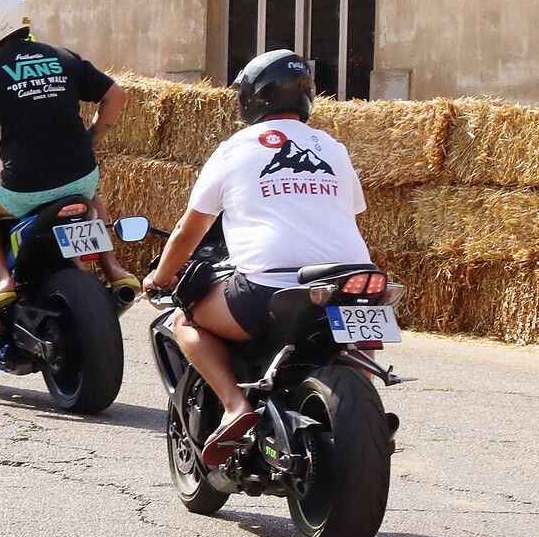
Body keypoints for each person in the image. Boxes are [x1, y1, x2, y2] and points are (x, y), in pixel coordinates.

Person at [141, 50, 372, 466]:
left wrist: (160, 277)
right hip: (351, 275)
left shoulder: (235, 149)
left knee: (184, 317)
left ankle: (234, 405)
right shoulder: (333, 148)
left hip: (268, 289)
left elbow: (187, 232)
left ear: (252, 99)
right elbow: (349, 211)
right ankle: (366, 412)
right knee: (358, 322)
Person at [0, 0, 130, 352]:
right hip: (81, 176)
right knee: (84, 187)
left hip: (25, 185)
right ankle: (113, 268)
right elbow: (116, 95)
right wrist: (93, 137)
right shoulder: (61, 56)